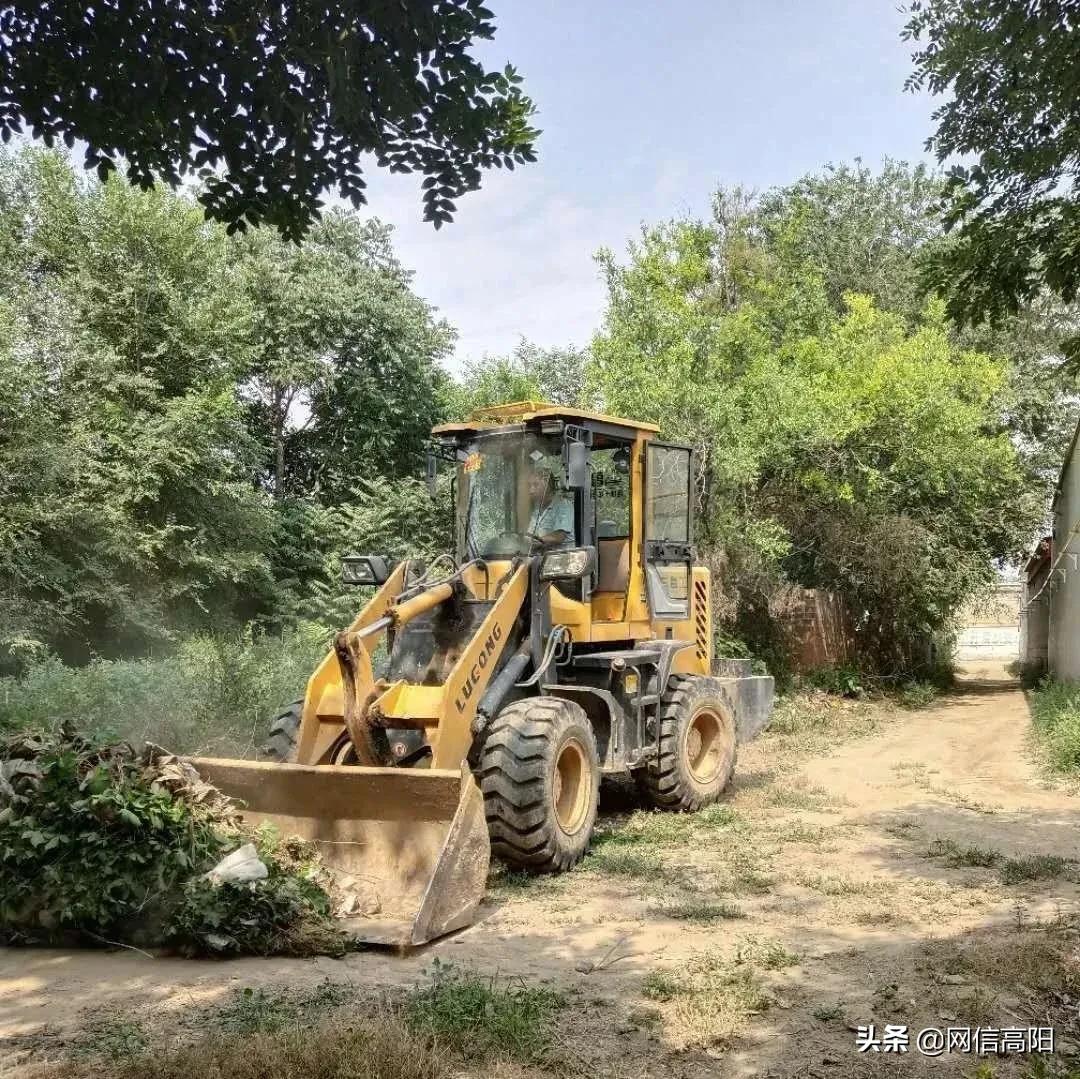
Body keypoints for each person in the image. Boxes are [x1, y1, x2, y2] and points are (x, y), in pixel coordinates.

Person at [525, 462, 574, 547]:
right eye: (529, 486)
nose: (531, 491)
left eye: (535, 485)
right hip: (540, 556)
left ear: (548, 485)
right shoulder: (537, 508)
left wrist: (537, 542)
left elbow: (559, 537)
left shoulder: (564, 505)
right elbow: (529, 535)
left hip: (562, 557)